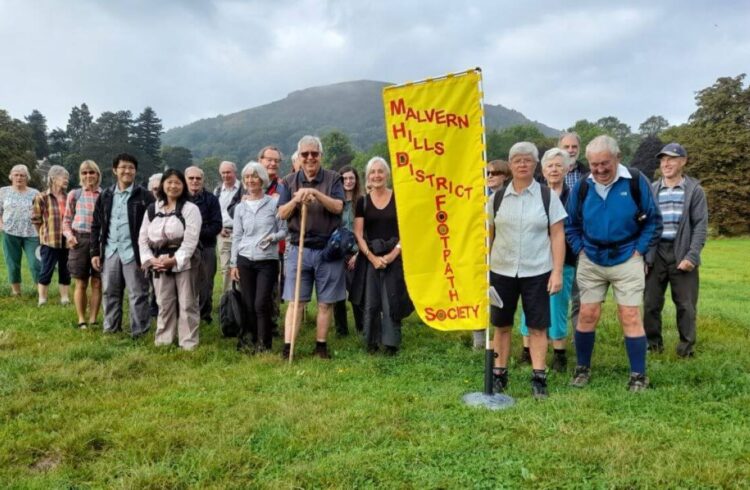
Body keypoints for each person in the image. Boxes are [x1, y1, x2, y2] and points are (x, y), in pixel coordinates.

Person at [565, 135, 662, 392]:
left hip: (627, 257)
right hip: (592, 258)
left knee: (629, 315)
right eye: (594, 164)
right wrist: (580, 250)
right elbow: (570, 224)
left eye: (604, 163)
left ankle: (638, 375)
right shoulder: (582, 186)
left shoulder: (635, 181)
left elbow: (653, 221)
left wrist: (639, 251)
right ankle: (582, 368)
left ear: (618, 158)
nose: (598, 169)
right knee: (587, 314)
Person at [489, 142, 567, 399]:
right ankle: (499, 374)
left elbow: (557, 235)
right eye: (517, 160)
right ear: (510, 165)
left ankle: (539, 377)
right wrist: (483, 270)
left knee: (537, 327)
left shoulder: (547, 196)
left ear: (536, 165)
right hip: (501, 270)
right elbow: (488, 235)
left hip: (537, 271)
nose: (522, 164)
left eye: (527, 160)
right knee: (501, 325)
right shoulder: (496, 198)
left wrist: (556, 272)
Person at [278, 135, 345, 359]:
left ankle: (321, 346)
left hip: (328, 248)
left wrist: (316, 194)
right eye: (305, 154)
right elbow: (282, 213)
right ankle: (289, 348)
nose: (309, 158)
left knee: (325, 302)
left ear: (320, 156)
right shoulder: (288, 181)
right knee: (295, 302)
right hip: (299, 248)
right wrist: (297, 200)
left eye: (314, 154)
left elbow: (337, 207)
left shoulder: (334, 178)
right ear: (299, 156)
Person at [644, 143, 708, 358]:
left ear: (683, 161)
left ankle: (686, 349)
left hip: (682, 251)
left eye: (671, 159)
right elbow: (643, 223)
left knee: (686, 306)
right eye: (663, 159)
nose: (666, 163)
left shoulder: (694, 191)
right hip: (657, 252)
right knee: (650, 304)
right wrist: (645, 255)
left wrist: (692, 255)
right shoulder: (652, 189)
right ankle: (653, 346)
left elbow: (700, 225)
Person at [518, 149, 577, 372]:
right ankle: (526, 349)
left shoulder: (574, 196)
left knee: (558, 304)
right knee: (529, 303)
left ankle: (559, 352)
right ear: (543, 170)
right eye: (550, 166)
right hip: (533, 258)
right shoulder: (535, 194)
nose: (554, 170)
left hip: (564, 259)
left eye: (558, 166)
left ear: (567, 169)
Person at [351, 157, 412, 354]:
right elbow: (358, 234)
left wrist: (394, 254)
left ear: (387, 174)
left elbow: (406, 230)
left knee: (391, 299)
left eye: (380, 171)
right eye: (372, 172)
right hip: (371, 256)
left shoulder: (399, 197)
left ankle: (391, 343)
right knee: (372, 301)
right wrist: (372, 257)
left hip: (394, 255)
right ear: (368, 176)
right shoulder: (362, 201)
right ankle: (372, 342)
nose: (376, 175)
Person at [90, 153, 155, 338]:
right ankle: (111, 328)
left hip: (134, 253)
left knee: (138, 294)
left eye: (131, 168)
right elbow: (96, 225)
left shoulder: (144, 196)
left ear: (135, 172)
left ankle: (139, 331)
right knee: (109, 292)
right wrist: (95, 251)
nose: (127, 171)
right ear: (115, 170)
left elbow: (154, 225)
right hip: (111, 251)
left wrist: (147, 254)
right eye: (123, 167)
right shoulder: (106, 195)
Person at [139, 169, 202, 349]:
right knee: (164, 302)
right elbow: (142, 238)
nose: (173, 186)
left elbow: (191, 240)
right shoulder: (153, 209)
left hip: (185, 261)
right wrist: (150, 260)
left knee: (187, 302)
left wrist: (174, 260)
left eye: (177, 183)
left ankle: (188, 342)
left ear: (183, 186)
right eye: (169, 182)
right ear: (162, 185)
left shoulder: (190, 209)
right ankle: (164, 339)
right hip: (158, 261)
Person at [229, 162, 287, 353]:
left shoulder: (273, 203)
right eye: (247, 177)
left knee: (261, 303)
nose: (250, 180)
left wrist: (273, 238)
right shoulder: (240, 208)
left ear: (262, 179)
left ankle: (265, 343)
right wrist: (233, 263)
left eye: (254, 176)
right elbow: (237, 236)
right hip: (245, 259)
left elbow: (284, 231)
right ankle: (252, 338)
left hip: (267, 260)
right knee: (248, 302)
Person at [472, 159, 511, 349]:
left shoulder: (510, 197)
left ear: (504, 175)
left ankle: (498, 336)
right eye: (486, 173)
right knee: (479, 294)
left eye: (494, 173)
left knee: (499, 296)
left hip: (503, 254)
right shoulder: (478, 197)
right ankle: (479, 339)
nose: (489, 177)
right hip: (480, 252)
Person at [62, 160, 103, 328]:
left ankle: (93, 319)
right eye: (84, 173)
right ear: (81, 175)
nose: (88, 176)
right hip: (79, 240)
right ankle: (81, 319)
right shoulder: (75, 194)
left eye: (91, 172)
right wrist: (69, 236)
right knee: (80, 282)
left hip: (99, 241)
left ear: (97, 175)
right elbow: (66, 220)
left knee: (97, 282)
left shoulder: (105, 194)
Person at [559, 131, 589, 333]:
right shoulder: (546, 174)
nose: (570, 150)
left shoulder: (588, 175)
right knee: (554, 293)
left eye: (574, 147)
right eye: (566, 147)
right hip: (554, 241)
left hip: (579, 241)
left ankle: (579, 337)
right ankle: (551, 336)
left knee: (580, 293)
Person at [185, 166, 222, 324]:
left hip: (206, 246)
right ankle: (187, 314)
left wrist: (194, 233)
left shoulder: (211, 199)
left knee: (206, 283)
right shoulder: (180, 199)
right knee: (186, 283)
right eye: (191, 178)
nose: (195, 181)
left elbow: (217, 225)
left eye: (198, 178)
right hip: (184, 248)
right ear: (185, 180)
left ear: (203, 180)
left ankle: (204, 315)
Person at [31, 165, 71, 306]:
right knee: (46, 270)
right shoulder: (41, 197)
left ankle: (65, 298)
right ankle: (42, 299)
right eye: (63, 177)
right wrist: (43, 236)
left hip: (67, 241)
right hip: (49, 241)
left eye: (68, 177)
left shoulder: (69, 197)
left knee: (65, 270)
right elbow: (36, 220)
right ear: (53, 178)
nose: (67, 180)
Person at [258, 145, 286, 336]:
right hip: (250, 246)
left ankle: (272, 325)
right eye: (269, 159)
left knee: (273, 287)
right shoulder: (249, 182)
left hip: (276, 246)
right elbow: (232, 209)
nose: (273, 163)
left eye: (276, 160)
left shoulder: (283, 186)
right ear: (260, 160)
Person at [0, 164, 40, 296]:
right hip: (10, 232)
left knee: (36, 263)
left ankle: (41, 292)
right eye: (16, 175)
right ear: (11, 176)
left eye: (22, 175)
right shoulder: (3, 192)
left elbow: (42, 212)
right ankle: (16, 292)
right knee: (12, 263)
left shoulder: (35, 193)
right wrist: (1, 225)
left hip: (32, 233)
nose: (19, 177)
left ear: (27, 177)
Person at [334, 164, 364, 336]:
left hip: (355, 252)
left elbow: (367, 231)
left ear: (356, 180)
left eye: (351, 178)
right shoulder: (336, 202)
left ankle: (361, 326)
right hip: (338, 252)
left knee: (356, 290)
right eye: (344, 178)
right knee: (337, 293)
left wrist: (359, 253)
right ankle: (341, 330)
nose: (348, 181)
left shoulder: (362, 201)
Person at [215, 161, 242, 293]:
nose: (226, 175)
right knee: (225, 269)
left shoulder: (244, 188)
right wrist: (218, 229)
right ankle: (227, 304)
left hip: (241, 235)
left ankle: (241, 303)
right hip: (224, 233)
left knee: (241, 269)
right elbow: (215, 213)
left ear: (234, 172)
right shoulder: (218, 191)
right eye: (223, 173)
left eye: (228, 172)